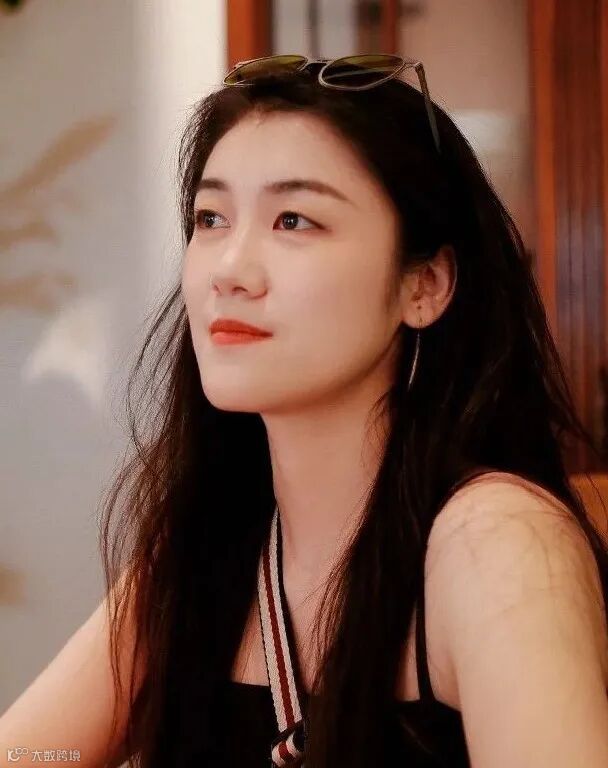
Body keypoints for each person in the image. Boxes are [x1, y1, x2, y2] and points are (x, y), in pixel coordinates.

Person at [1, 54, 608, 768]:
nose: (230, 269)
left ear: (425, 284)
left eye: (293, 220)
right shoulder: (205, 545)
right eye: (210, 218)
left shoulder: (495, 539)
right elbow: (34, 755)